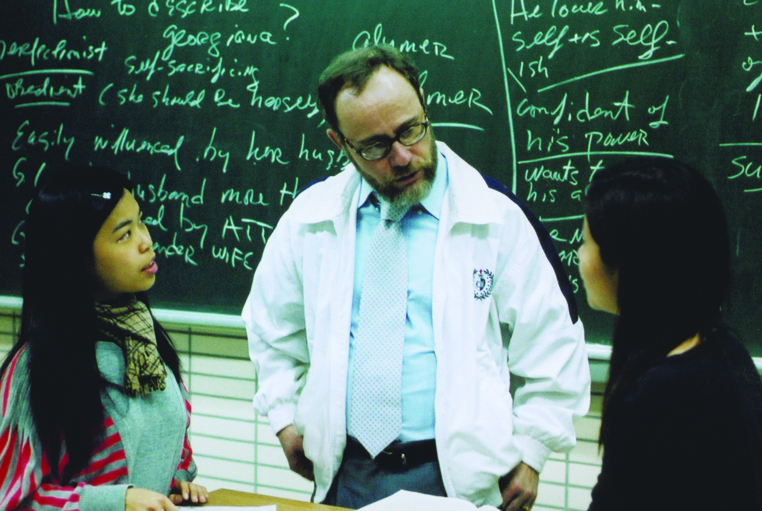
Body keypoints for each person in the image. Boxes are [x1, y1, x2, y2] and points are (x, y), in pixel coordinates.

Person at [243, 45, 590, 511]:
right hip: (347, 473)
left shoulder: (495, 215)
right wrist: (284, 417)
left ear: (424, 103)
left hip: (456, 476)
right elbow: (271, 328)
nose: (404, 156)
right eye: (376, 146)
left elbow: (552, 343)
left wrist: (533, 451)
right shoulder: (311, 218)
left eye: (411, 129)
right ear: (339, 142)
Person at [0, 165, 208, 511]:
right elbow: (13, 500)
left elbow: (171, 450)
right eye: (124, 235)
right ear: (75, 256)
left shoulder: (147, 344)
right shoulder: (35, 369)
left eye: (141, 221)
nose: (146, 241)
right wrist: (115, 501)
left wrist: (178, 484)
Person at [578, 158, 762, 510]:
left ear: (630, 261)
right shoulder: (725, 349)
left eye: (587, 241)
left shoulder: (656, 397)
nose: (579, 255)